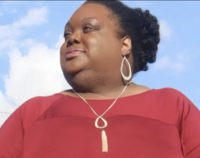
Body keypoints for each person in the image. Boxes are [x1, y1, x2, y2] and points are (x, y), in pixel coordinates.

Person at [0, 0, 200, 158]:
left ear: (125, 44)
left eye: (88, 28)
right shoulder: (33, 113)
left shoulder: (172, 105)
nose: (72, 38)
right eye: (67, 34)